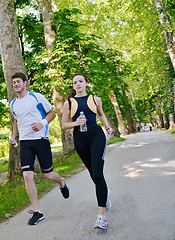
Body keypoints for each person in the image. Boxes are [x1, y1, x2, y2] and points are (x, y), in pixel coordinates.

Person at [9, 72, 69, 225]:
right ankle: (37, 211)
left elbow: (52, 114)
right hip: (25, 143)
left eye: (18, 82)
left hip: (41, 140)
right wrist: (13, 136)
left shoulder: (36, 97)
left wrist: (42, 123)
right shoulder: (13, 104)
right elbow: (16, 120)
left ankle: (61, 182)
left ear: (25, 83)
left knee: (48, 175)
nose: (16, 84)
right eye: (13, 83)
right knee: (27, 175)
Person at [61, 73, 112, 230]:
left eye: (80, 81)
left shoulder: (95, 99)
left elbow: (101, 115)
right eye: (75, 82)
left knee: (97, 174)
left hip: (97, 136)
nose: (78, 84)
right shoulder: (68, 103)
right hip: (80, 140)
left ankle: (101, 217)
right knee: (93, 174)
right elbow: (64, 125)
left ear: (86, 83)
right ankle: (105, 193)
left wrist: (107, 125)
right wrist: (76, 122)